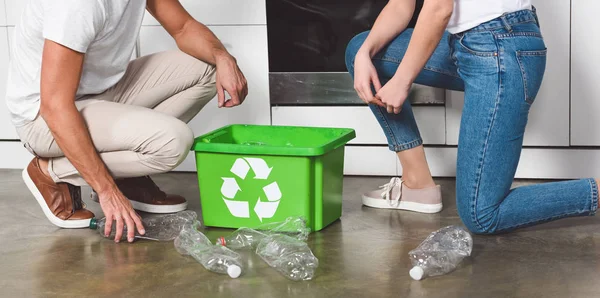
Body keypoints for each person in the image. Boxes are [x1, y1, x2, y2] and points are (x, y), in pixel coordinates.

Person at [345, 0, 599, 234]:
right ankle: (416, 183)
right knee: (361, 51)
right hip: (466, 44)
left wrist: (402, 80)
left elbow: (439, 8)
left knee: (482, 215)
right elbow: (402, 5)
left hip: (501, 47)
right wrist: (365, 54)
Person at [6, 0, 248, 242]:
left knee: (210, 66)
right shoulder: (77, 6)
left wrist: (222, 56)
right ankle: (51, 172)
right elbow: (55, 107)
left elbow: (183, 27)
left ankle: (127, 176)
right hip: (43, 117)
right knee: (173, 142)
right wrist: (106, 190)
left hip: (99, 93)